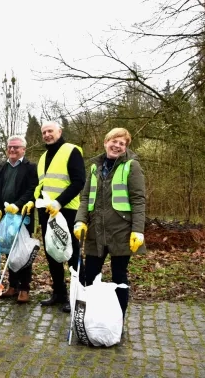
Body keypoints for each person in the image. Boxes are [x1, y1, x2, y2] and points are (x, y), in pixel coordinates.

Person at [74, 128, 145, 319]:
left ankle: (117, 319)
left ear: (125, 147)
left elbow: (138, 200)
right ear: (106, 142)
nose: (117, 146)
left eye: (122, 143)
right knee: (90, 275)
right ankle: (90, 318)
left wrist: (138, 231)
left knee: (119, 277)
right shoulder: (95, 167)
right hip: (95, 231)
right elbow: (85, 197)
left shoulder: (132, 166)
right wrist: (80, 220)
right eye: (114, 141)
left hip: (121, 231)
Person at [36, 121, 85, 313]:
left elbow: (79, 181)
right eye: (44, 132)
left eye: (50, 131)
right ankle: (59, 293)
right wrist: (36, 202)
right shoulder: (42, 157)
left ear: (60, 132)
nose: (47, 134)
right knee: (52, 253)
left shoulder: (71, 151)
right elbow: (41, 186)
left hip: (67, 211)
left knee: (72, 254)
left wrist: (59, 202)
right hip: (47, 213)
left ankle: (78, 295)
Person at [0, 135, 38, 303]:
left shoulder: (31, 168)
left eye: (16, 147)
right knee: (9, 251)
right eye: (10, 147)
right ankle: (13, 286)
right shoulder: (0, 167)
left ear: (23, 149)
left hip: (23, 215)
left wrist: (18, 204)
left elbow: (33, 189)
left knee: (23, 252)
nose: (12, 150)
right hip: (5, 217)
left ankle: (24, 288)